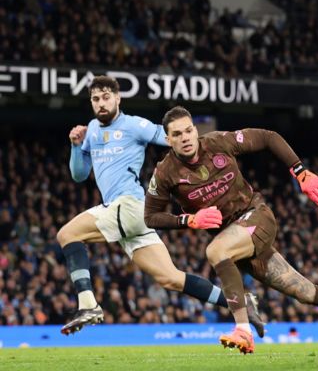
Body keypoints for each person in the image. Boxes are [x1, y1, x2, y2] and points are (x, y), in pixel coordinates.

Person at [144, 106, 318, 354]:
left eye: (189, 130)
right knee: (304, 292)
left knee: (216, 250)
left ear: (195, 130)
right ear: (168, 139)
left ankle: (242, 330)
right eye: (177, 134)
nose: (185, 137)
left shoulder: (219, 142)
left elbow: (269, 137)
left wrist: (301, 173)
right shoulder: (165, 173)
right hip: (237, 241)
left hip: (256, 216)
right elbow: (151, 217)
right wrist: (188, 221)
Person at [58, 76, 264, 336]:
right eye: (96, 99)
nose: (101, 103)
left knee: (67, 234)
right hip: (128, 214)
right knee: (171, 278)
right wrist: (77, 147)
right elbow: (79, 174)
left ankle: (88, 304)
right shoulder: (92, 130)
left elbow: (168, 137)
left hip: (128, 204)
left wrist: (197, 154)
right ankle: (240, 302)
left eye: (106, 97)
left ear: (118, 99)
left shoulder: (134, 125)